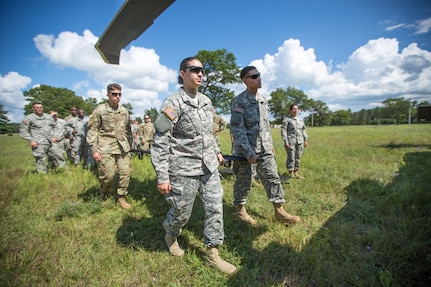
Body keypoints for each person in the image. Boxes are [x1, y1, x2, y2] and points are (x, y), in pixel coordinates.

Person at [151, 57, 236, 275]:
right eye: (194, 70)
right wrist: (162, 176)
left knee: (215, 207)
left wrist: (216, 151)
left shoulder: (206, 102)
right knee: (181, 212)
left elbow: (209, 133)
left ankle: (212, 253)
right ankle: (170, 235)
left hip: (208, 166)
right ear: (182, 73)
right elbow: (161, 141)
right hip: (182, 168)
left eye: (201, 70)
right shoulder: (173, 103)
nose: (200, 74)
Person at [230, 66, 301, 226]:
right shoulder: (239, 101)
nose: (258, 78)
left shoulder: (262, 100)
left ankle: (279, 211)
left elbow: (265, 125)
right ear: (244, 81)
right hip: (244, 152)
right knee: (244, 181)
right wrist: (249, 153)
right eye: (254, 76)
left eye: (259, 75)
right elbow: (237, 129)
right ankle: (240, 210)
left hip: (265, 149)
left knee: (273, 178)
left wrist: (269, 144)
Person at [86, 83, 132, 209]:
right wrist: (94, 150)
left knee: (125, 174)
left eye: (119, 94)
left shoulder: (124, 111)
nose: (117, 97)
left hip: (123, 148)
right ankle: (104, 195)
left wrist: (130, 147)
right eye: (114, 94)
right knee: (108, 175)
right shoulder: (100, 110)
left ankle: (121, 197)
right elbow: (92, 130)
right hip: (105, 147)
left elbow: (128, 130)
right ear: (108, 95)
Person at [19, 101, 60, 174]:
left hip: (50, 141)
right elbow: (23, 131)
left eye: (41, 107)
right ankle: (42, 175)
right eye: (37, 107)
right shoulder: (29, 118)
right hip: (38, 142)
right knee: (41, 159)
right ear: (33, 108)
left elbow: (56, 126)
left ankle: (54, 171)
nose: (39, 109)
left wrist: (56, 136)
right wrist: (31, 140)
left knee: (56, 156)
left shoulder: (48, 117)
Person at [281, 104, 309, 179]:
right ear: (290, 110)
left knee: (298, 157)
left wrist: (305, 140)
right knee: (291, 157)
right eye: (294, 109)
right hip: (291, 141)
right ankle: (290, 172)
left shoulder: (301, 120)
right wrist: (285, 141)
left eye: (297, 109)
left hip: (300, 141)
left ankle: (296, 171)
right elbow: (283, 131)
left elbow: (303, 131)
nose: (295, 111)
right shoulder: (286, 120)